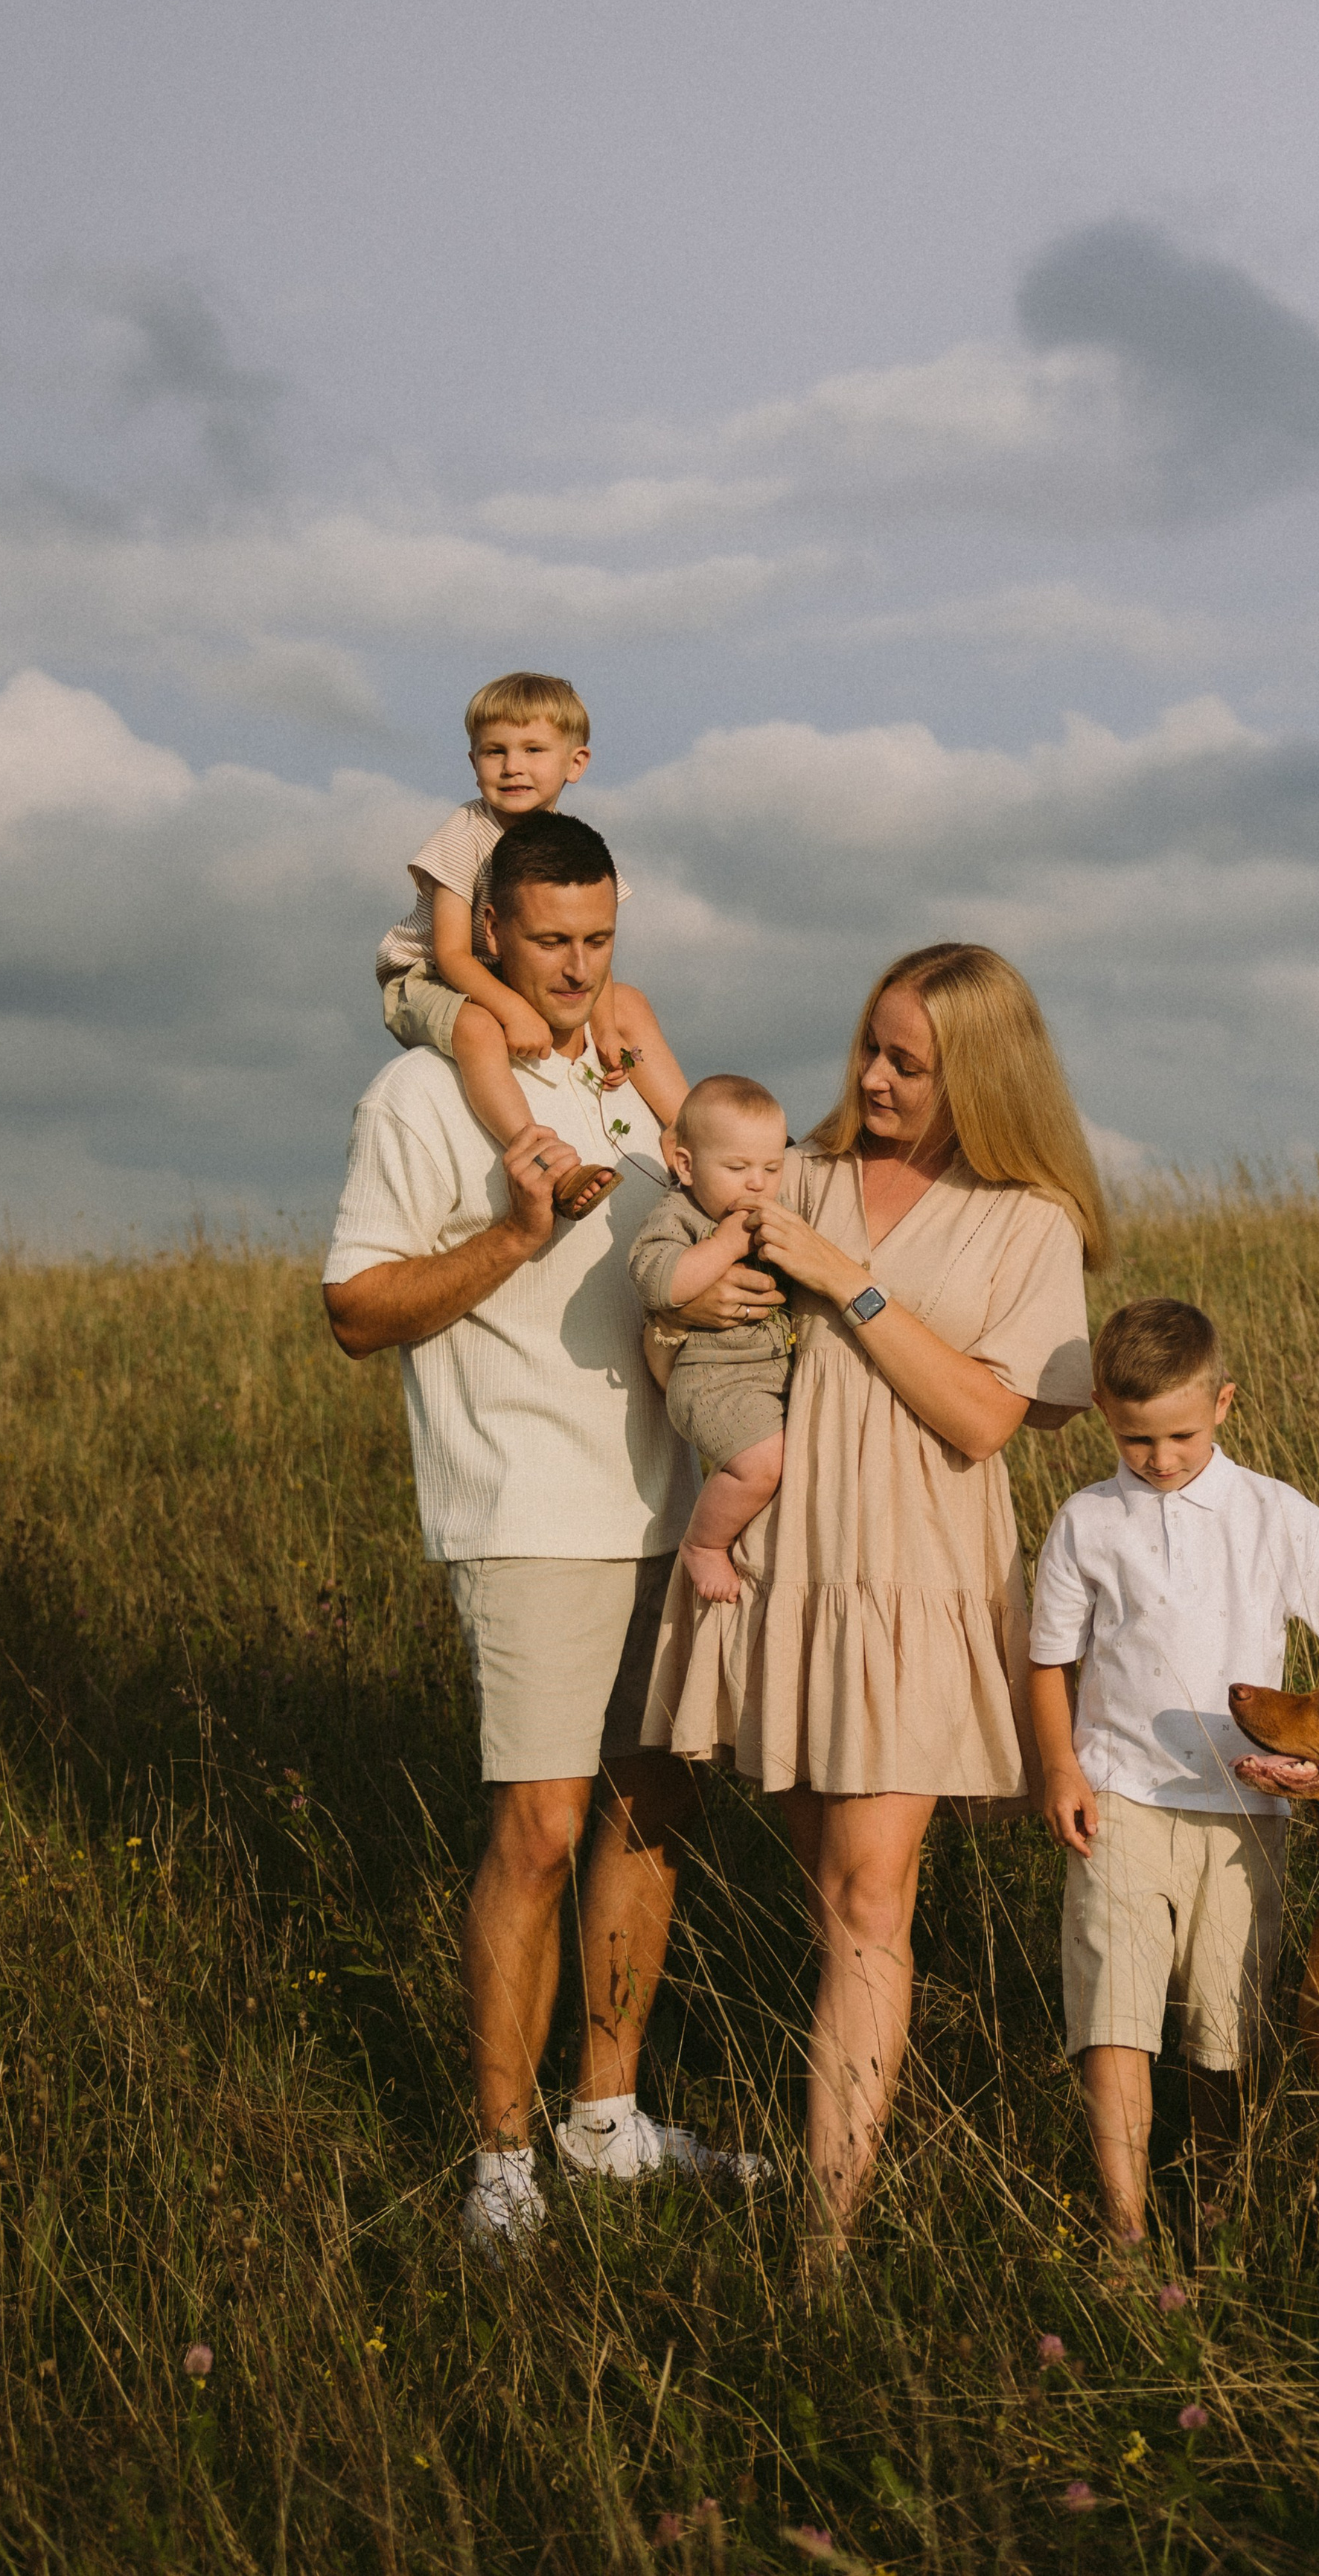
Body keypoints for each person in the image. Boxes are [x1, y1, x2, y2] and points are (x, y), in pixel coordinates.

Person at [324, 806, 773, 2252]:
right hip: (525, 1505)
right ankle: (501, 2161)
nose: (577, 967)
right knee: (537, 1828)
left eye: (600, 939)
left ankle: (605, 2120)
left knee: (652, 1808)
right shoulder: (420, 1096)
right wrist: (514, 1235)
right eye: (550, 940)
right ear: (490, 936)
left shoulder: (630, 1084)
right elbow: (354, 1311)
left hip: (671, 1504)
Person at [644, 942, 1107, 2258]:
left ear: (984, 1076)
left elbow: (985, 1417)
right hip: (785, 1565)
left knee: (866, 1901)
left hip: (917, 1571)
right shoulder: (799, 1172)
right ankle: (837, 2155)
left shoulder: (1028, 1220)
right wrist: (701, 1309)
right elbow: (676, 1293)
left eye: (910, 1061)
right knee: (831, 1898)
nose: (875, 1076)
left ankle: (824, 2239)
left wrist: (848, 1278)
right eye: (871, 1045)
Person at [1026, 1296, 1319, 2249]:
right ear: (1101, 1413)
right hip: (1119, 1800)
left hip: (1244, 1810)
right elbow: (1048, 1661)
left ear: (1223, 1403)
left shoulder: (1276, 1516)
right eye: (1136, 1439)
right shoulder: (1087, 1522)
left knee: (1226, 2026)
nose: (1159, 1458)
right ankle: (1125, 2229)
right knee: (1114, 2015)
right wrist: (1060, 1769)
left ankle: (1217, 2208)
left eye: (1180, 1435)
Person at [374, 670, 686, 1192]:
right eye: (495, 751)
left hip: (508, 969)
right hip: (428, 977)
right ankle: (541, 1156)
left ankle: (690, 1130)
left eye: (533, 750)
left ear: (575, 763)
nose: (512, 766)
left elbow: (592, 947)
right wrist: (513, 1010)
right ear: (473, 762)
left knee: (629, 1003)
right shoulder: (465, 835)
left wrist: (608, 1030)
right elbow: (451, 954)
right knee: (478, 1028)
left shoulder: (571, 845)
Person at [627, 1074, 793, 1605]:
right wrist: (724, 1246)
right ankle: (703, 1543)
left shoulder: (771, 1211)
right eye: (738, 1169)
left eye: (772, 1169)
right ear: (686, 1165)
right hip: (712, 1381)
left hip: (768, 1376)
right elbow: (658, 1282)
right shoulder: (678, 1215)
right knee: (761, 1464)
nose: (757, 1184)